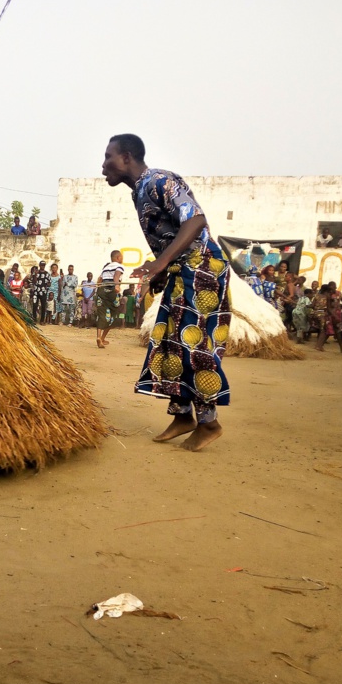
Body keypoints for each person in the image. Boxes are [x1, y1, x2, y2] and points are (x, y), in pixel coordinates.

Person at [102, 134, 230, 451]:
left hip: (202, 270)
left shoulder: (159, 180)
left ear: (127, 158)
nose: (103, 165)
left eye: (108, 157)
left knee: (193, 344)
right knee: (168, 345)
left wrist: (160, 262)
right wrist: (161, 269)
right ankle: (183, 415)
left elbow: (196, 220)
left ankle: (209, 423)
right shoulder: (139, 193)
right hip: (180, 271)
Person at [95, 250, 124, 348]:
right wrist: (117, 286)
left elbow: (99, 280)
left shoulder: (106, 267)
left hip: (102, 291)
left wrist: (97, 289)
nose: (122, 259)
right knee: (113, 316)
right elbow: (116, 276)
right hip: (112, 292)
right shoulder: (119, 266)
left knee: (102, 314)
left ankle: (99, 337)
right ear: (117, 258)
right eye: (121, 257)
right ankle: (102, 338)